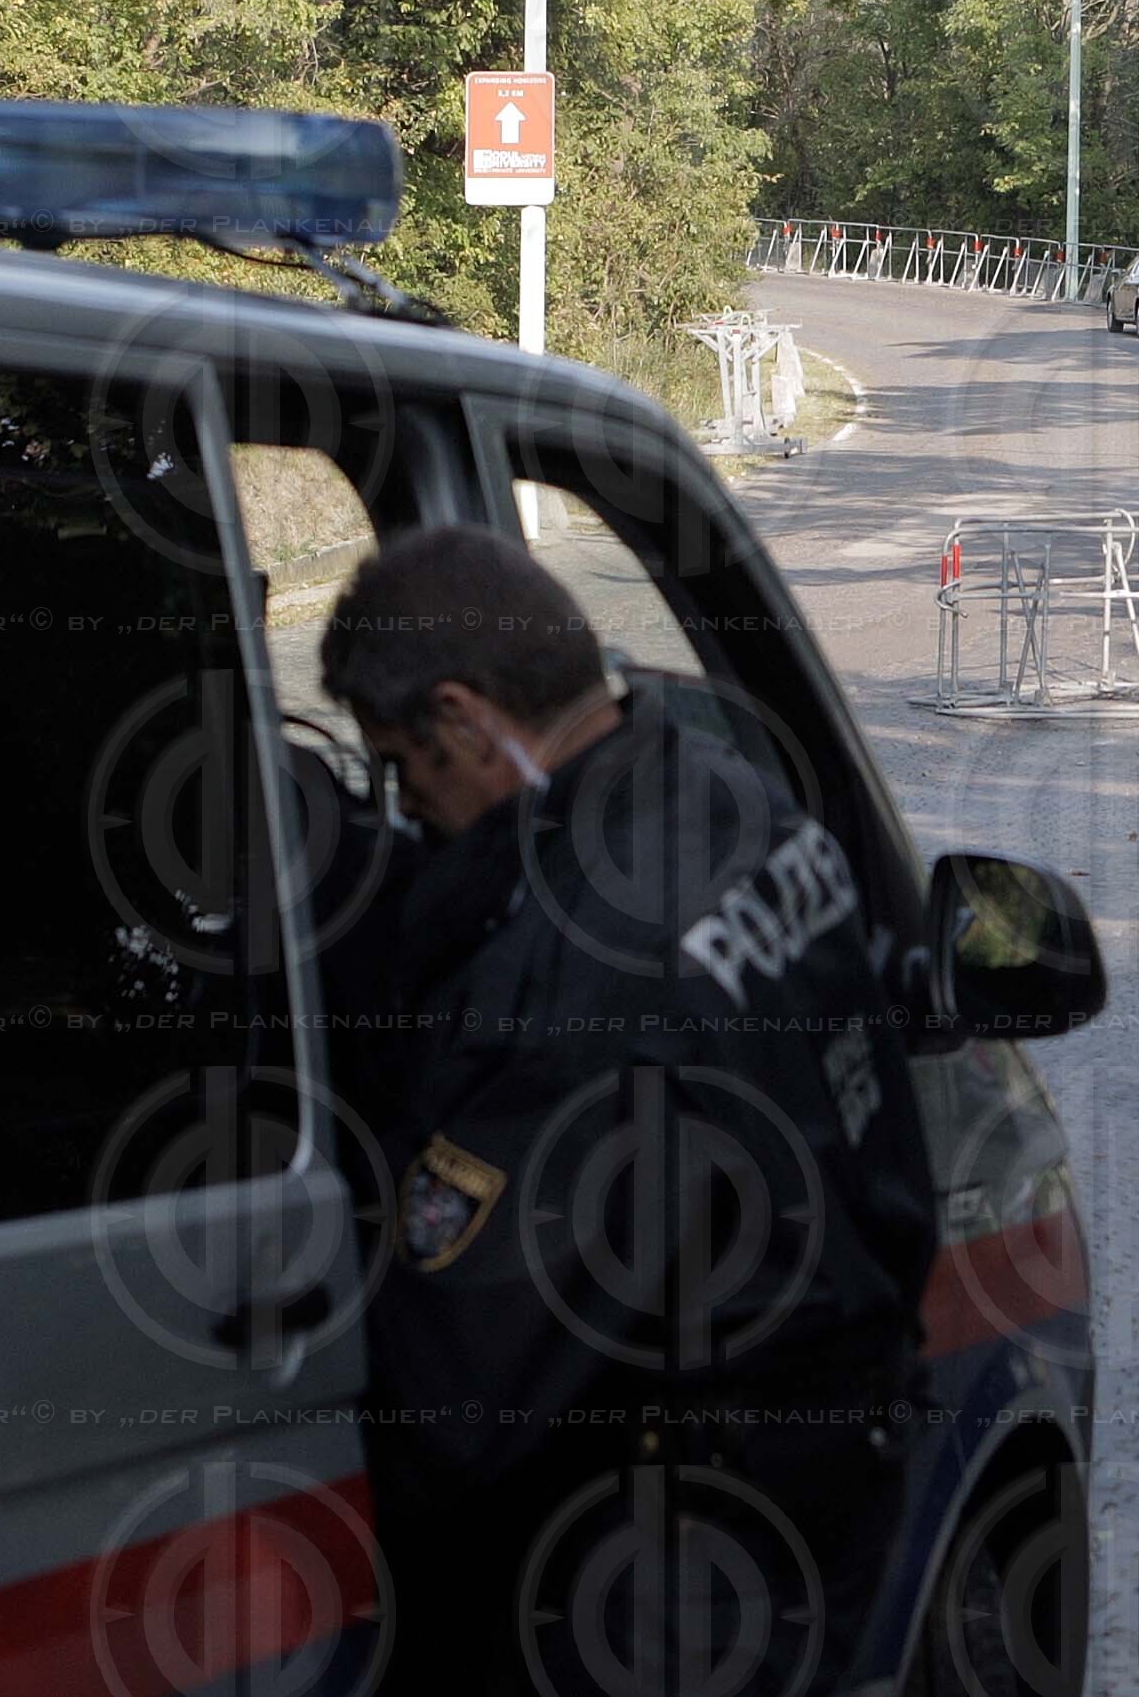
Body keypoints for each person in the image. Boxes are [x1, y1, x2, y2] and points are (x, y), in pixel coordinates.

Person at [316, 524, 936, 1697]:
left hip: (667, 1565)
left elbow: (458, 1397)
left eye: (402, 769)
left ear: (464, 717)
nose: (403, 812)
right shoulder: (728, 796)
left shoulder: (572, 994)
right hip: (826, 1468)